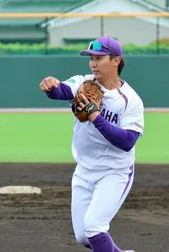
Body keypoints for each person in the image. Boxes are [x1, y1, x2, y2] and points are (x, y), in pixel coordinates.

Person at [39, 36, 144, 252]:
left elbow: (127, 141)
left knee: (94, 228)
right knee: (83, 236)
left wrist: (96, 117)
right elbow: (62, 91)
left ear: (116, 61)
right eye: (91, 58)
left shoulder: (130, 100)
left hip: (115, 172)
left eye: (99, 58)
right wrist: (52, 85)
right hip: (85, 170)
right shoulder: (84, 84)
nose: (93, 63)